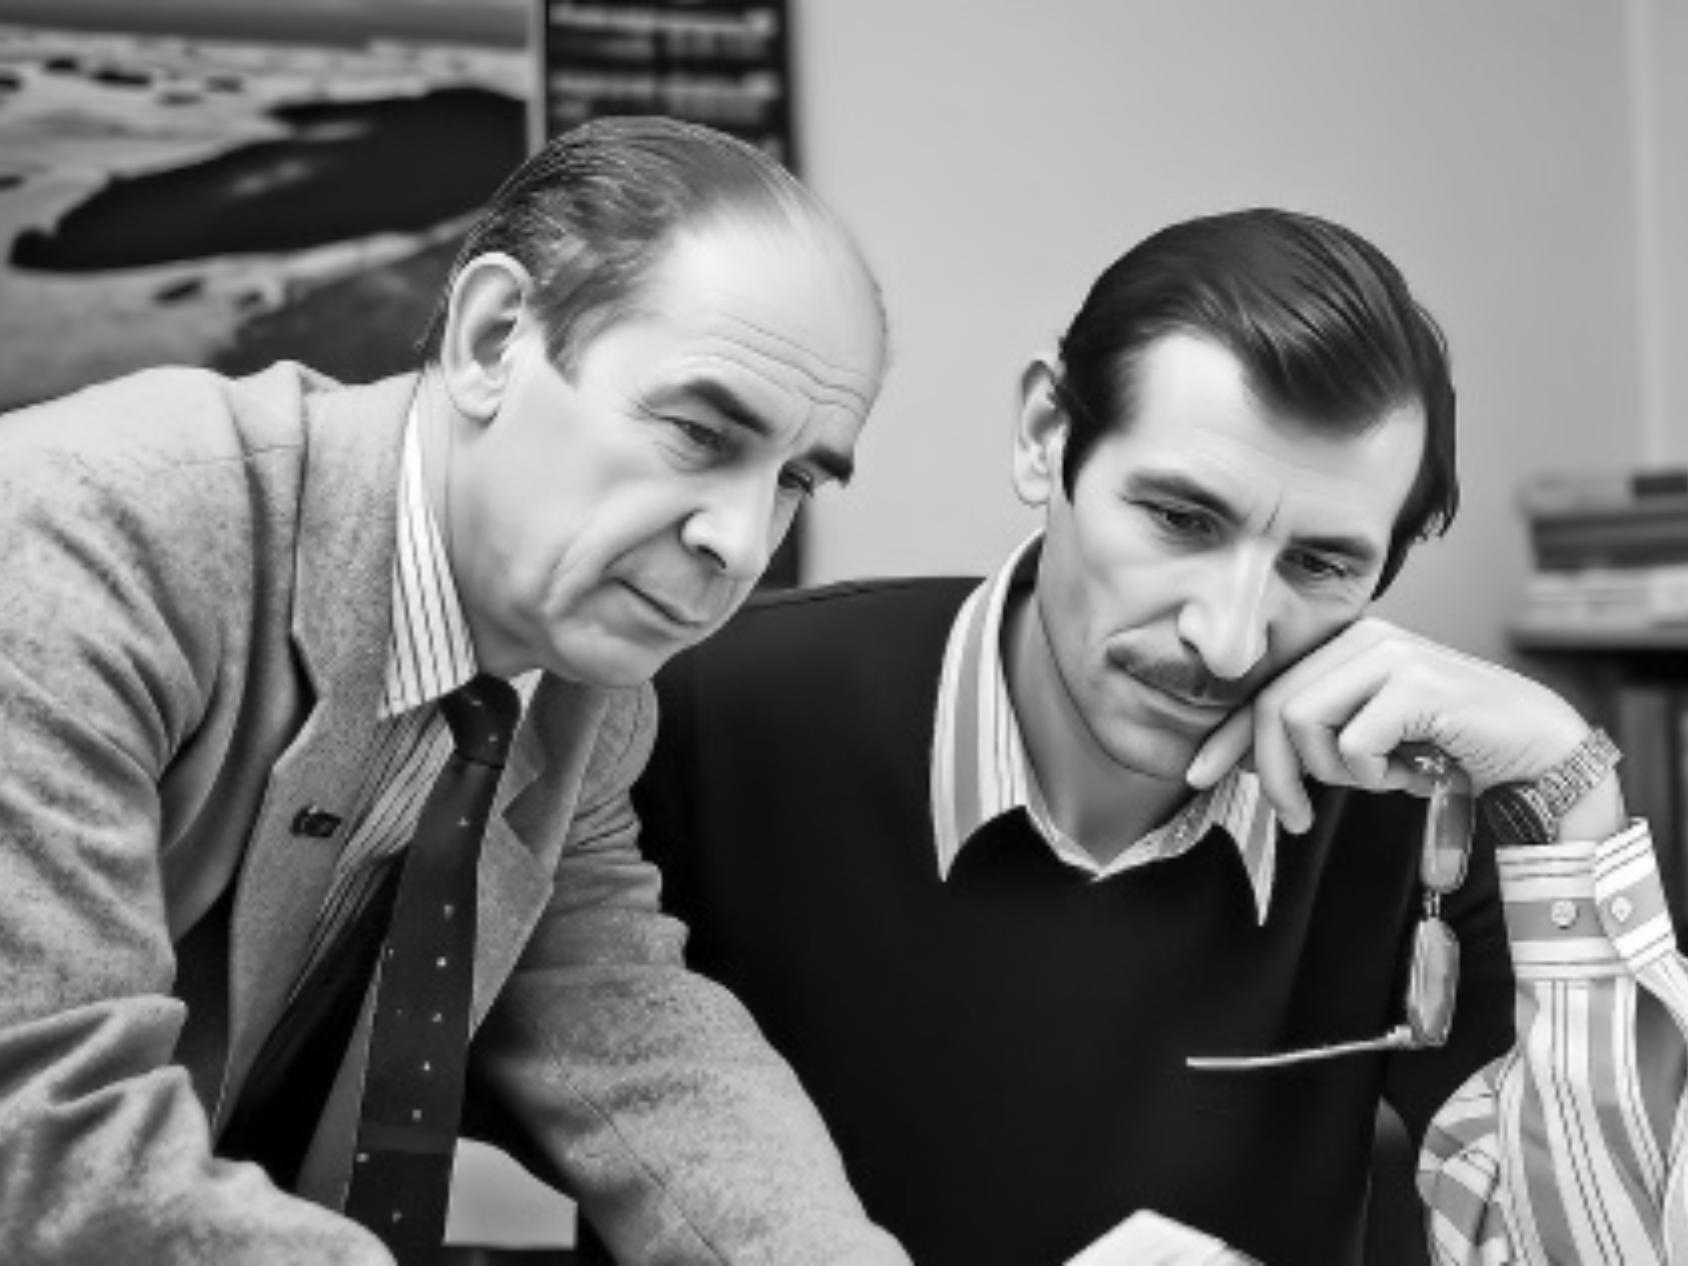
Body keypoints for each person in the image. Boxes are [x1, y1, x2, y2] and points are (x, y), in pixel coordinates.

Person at [636, 208, 1688, 1265]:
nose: (1226, 640)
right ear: (1045, 436)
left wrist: (1570, 785)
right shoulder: (692, 713)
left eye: (1320, 566)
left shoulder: (1421, 813)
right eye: (1181, 520)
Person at [0, 115, 911, 1264]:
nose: (739, 542)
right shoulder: (82, 535)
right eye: (697, 432)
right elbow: (44, 1138)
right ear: (491, 341)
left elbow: (631, 1032)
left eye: (793, 482)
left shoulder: (583, 692)